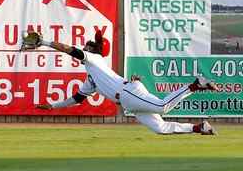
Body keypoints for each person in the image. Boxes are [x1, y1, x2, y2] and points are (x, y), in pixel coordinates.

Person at [21, 31, 218, 135]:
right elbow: (78, 98)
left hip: (128, 93)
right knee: (160, 128)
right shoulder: (92, 75)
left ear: (96, 49)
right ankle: (199, 128)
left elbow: (68, 49)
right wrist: (53, 106)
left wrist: (44, 42)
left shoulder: (92, 57)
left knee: (162, 106)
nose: (88, 43)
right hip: (129, 99)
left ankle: (196, 84)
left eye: (92, 42)